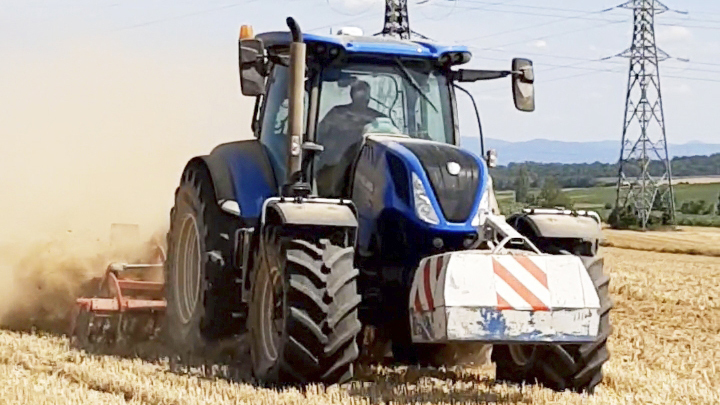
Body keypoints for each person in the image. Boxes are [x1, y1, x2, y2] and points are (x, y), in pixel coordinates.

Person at [315, 80, 386, 196]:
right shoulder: (336, 115)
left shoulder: (379, 121)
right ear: (351, 95)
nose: (361, 98)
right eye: (358, 93)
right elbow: (318, 138)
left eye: (363, 94)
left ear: (368, 98)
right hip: (335, 166)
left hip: (368, 170)